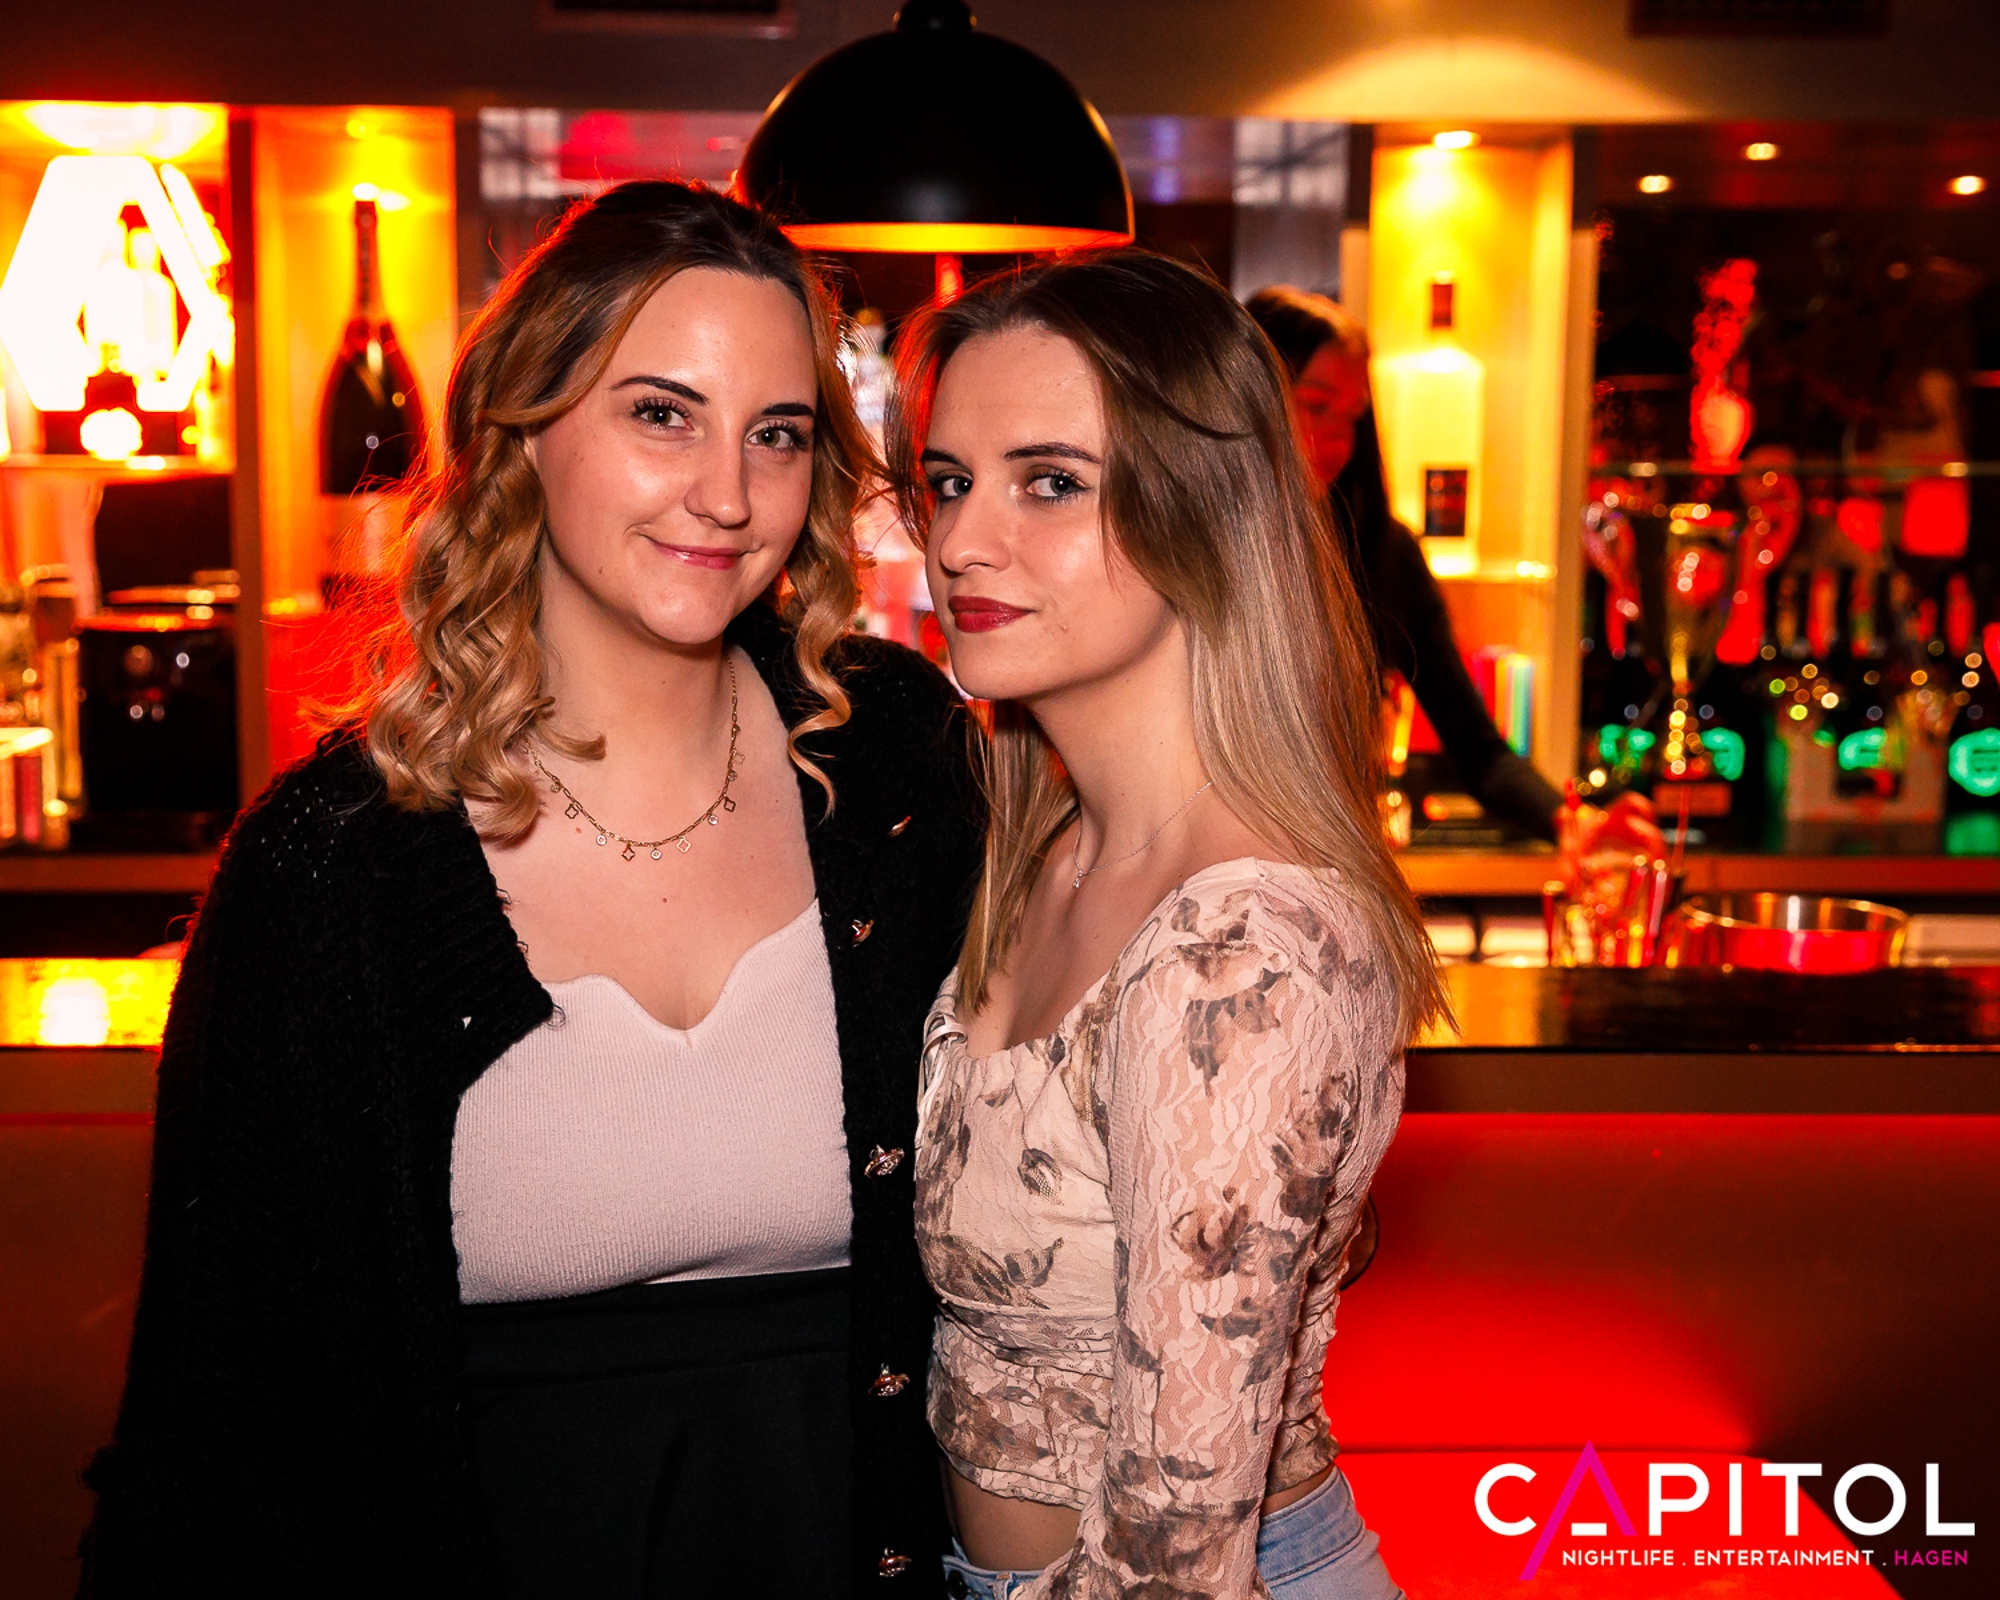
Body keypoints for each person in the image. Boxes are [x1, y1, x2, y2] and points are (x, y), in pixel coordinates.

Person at [78, 181, 980, 1599]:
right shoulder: (334, 864)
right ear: (522, 424)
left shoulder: (901, 766)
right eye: (660, 414)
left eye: (778, 433)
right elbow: (217, 1421)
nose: (727, 494)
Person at [886, 249, 1445, 1599]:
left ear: (1204, 504)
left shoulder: (1237, 942)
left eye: (1049, 482)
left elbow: (1175, 1556)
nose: (960, 542)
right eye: (949, 482)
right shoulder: (1044, 850)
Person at [1246, 286, 1661, 861]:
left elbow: (1478, 750)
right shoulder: (1188, 543)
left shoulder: (1382, 553)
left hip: (1318, 870)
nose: (1338, 439)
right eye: (1316, 406)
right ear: (1247, 397)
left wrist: (1574, 823)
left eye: (1352, 418)